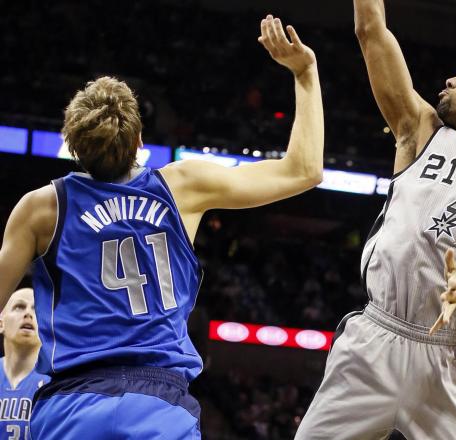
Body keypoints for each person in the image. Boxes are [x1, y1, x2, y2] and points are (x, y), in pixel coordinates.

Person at [0, 15, 322, 439]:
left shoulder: (43, 207)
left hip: (71, 405)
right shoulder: (182, 185)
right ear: (139, 142)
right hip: (158, 406)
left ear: (72, 146)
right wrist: (305, 72)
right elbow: (304, 170)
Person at [295, 1, 456, 439]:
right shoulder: (419, 131)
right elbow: (371, 30)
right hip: (376, 337)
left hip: (451, 354)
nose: (451, 79)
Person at [0, 288, 50, 440]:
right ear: (1, 323)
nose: (28, 313)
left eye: (36, 309)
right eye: (19, 307)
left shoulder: (57, 380)